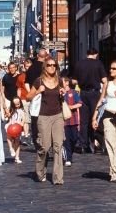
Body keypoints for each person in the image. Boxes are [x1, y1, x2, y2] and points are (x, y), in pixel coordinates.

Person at [26, 57, 65, 185]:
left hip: (58, 115)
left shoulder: (60, 81)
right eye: (49, 65)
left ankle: (58, 178)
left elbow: (64, 94)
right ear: (44, 67)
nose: (52, 67)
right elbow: (28, 97)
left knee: (58, 146)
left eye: (54, 65)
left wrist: (63, 92)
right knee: (44, 147)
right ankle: (40, 171)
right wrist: (38, 91)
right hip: (43, 117)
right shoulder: (39, 81)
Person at [73, 47, 106, 153]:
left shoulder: (79, 64)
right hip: (95, 93)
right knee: (95, 118)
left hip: (83, 93)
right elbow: (104, 80)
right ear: (96, 54)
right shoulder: (98, 64)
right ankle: (97, 143)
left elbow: (74, 81)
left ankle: (83, 145)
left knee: (84, 120)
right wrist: (104, 91)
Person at [25, 49, 48, 146]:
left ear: (38, 55)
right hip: (47, 95)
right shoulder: (47, 67)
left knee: (35, 117)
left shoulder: (31, 68)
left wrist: (31, 94)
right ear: (46, 56)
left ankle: (35, 137)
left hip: (35, 95)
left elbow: (26, 83)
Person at [61, 76, 83, 166]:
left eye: (62, 81)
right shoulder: (60, 93)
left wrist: (72, 107)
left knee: (74, 138)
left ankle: (70, 153)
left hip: (73, 119)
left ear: (67, 82)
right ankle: (68, 158)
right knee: (66, 140)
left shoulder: (73, 92)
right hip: (64, 121)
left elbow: (80, 103)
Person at [5, 97, 25, 163]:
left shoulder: (22, 111)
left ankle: (17, 157)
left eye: (18, 104)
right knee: (8, 138)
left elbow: (24, 119)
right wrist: (7, 114)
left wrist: (21, 124)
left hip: (18, 127)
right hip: (10, 126)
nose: (17, 106)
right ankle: (11, 148)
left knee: (17, 142)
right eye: (15, 105)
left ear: (20, 103)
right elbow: (7, 116)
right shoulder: (11, 110)